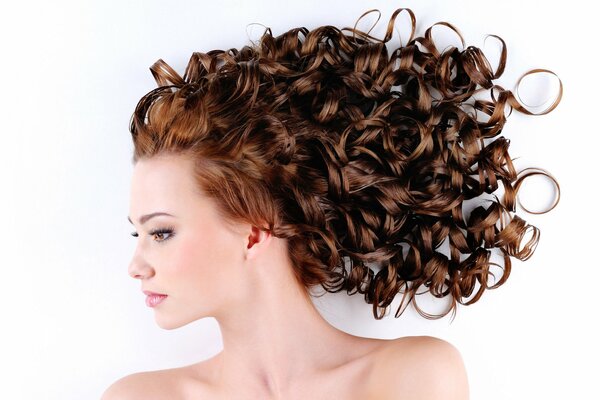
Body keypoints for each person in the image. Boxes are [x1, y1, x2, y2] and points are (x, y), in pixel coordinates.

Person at [102, 7, 561, 399]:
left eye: (161, 232)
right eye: (138, 234)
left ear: (255, 230)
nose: (135, 266)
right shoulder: (138, 397)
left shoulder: (411, 378)